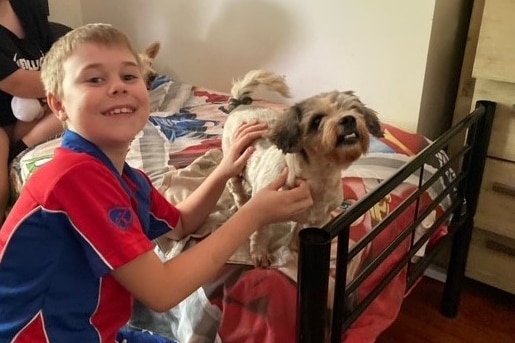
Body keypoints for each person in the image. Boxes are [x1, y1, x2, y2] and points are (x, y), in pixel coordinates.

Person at [0, 23, 313, 342]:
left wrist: (224, 170)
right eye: (95, 79)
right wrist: (254, 214)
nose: (118, 87)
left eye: (129, 76)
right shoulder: (74, 177)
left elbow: (180, 224)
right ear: (59, 106)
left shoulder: (127, 178)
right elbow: (163, 292)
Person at [0, 0, 67, 223]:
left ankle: (24, 143)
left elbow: (52, 48)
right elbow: (17, 83)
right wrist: (80, 80)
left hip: (39, 99)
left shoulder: (28, 6)